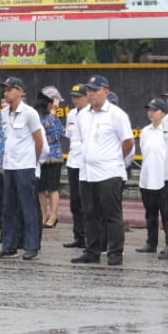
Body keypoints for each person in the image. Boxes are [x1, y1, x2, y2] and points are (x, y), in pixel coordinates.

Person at [72, 75, 133, 266]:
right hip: (87, 172)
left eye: (94, 90)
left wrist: (115, 159)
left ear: (105, 92)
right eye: (88, 90)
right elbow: (82, 140)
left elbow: (128, 141)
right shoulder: (82, 115)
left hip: (109, 172)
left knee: (111, 215)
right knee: (89, 213)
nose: (90, 94)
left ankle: (115, 252)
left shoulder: (116, 114)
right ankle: (92, 251)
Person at [0, 77, 45, 260]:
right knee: (8, 207)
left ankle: (31, 246)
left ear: (20, 91)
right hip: (9, 166)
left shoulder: (30, 113)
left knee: (28, 207)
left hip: (25, 166)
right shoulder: (4, 114)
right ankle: (9, 245)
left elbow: (39, 141)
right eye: (4, 90)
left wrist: (33, 162)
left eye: (9, 89)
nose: (5, 93)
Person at [135, 98, 168, 256]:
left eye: (155, 110)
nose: (151, 113)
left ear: (162, 112)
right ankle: (151, 243)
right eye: (149, 110)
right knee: (150, 214)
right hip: (147, 179)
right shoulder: (145, 131)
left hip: (164, 179)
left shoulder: (167, 130)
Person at [61, 84, 90, 250]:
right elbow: (70, 138)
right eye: (73, 96)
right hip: (73, 162)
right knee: (75, 202)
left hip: (86, 164)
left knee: (87, 203)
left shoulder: (90, 114)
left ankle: (89, 237)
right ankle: (78, 236)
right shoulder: (71, 114)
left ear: (86, 97)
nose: (75, 100)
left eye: (78, 96)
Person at [38, 88, 65, 230]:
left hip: (54, 156)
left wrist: (53, 114)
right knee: (40, 188)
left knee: (53, 188)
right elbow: (40, 129)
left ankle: (53, 216)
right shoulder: (38, 116)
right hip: (40, 157)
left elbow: (60, 134)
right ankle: (43, 215)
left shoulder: (54, 118)